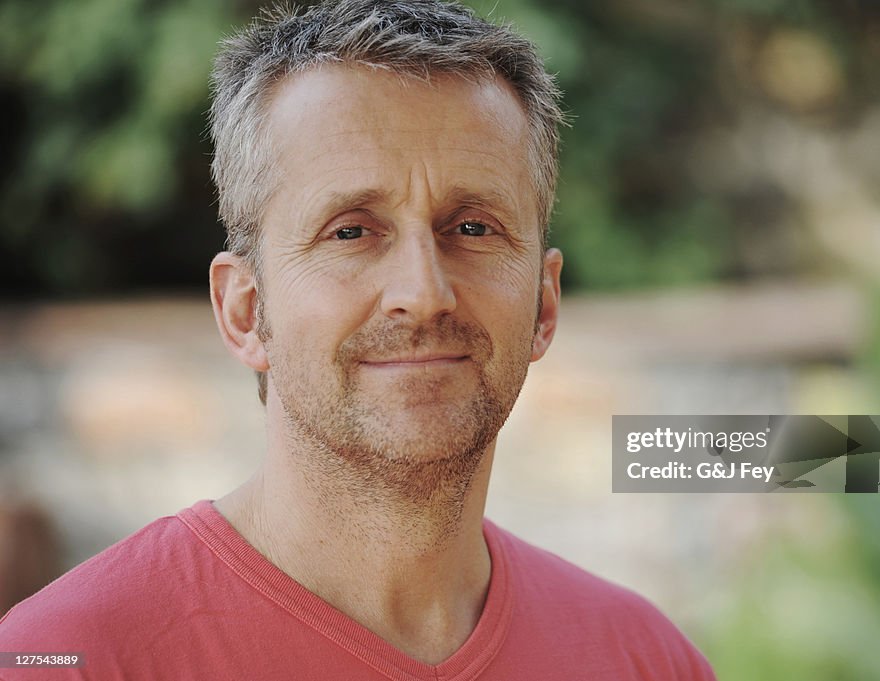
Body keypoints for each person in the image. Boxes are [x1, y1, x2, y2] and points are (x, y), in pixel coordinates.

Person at [0, 1, 716, 678]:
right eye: (351, 231)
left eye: (472, 228)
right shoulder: (71, 657)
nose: (424, 291)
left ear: (544, 304)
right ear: (245, 310)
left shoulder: (643, 657)